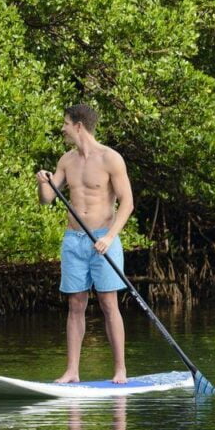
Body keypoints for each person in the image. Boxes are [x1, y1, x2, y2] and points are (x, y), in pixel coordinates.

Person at [36, 103, 134, 385]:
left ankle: (120, 370)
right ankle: (72, 372)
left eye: (66, 123)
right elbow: (47, 198)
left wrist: (109, 236)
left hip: (104, 239)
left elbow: (127, 203)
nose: (63, 128)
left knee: (108, 303)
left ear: (78, 125)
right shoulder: (66, 160)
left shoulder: (110, 159)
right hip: (74, 241)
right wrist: (43, 182)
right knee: (76, 304)